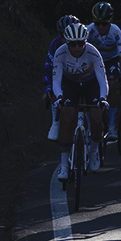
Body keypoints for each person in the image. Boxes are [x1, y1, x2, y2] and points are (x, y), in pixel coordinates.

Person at [51, 22, 109, 180]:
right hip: (71, 85)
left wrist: (103, 98)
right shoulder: (60, 52)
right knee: (68, 117)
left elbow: (103, 80)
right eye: (73, 44)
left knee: (97, 118)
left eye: (80, 43)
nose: (77, 47)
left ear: (86, 42)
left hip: (91, 85)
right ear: (67, 43)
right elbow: (56, 80)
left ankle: (94, 150)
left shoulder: (93, 52)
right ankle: (63, 166)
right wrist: (60, 97)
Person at [87, 1, 121, 140]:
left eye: (104, 24)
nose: (100, 27)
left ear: (110, 22)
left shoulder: (116, 32)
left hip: (111, 60)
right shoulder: (89, 30)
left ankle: (111, 125)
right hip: (94, 59)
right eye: (97, 23)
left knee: (113, 83)